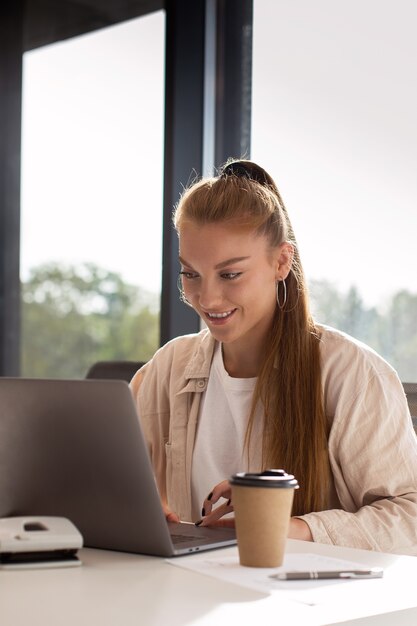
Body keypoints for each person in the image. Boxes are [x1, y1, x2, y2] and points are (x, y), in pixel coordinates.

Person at [130, 159, 417, 554]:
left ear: (281, 261)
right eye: (190, 274)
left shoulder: (351, 374)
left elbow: (410, 521)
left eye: (230, 274)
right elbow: (112, 481)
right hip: (191, 597)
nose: (207, 298)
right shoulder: (169, 368)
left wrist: (287, 528)